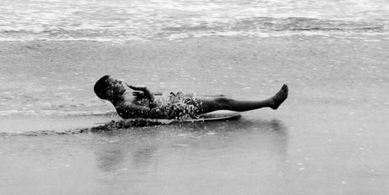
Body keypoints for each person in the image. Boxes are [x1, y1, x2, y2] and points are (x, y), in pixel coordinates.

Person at [94, 75, 288, 120]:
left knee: (221, 98)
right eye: (115, 83)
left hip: (177, 102)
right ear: (107, 93)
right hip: (177, 110)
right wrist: (148, 93)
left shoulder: (126, 100)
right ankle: (271, 102)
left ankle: (269, 102)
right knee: (223, 101)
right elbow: (154, 114)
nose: (121, 83)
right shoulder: (123, 107)